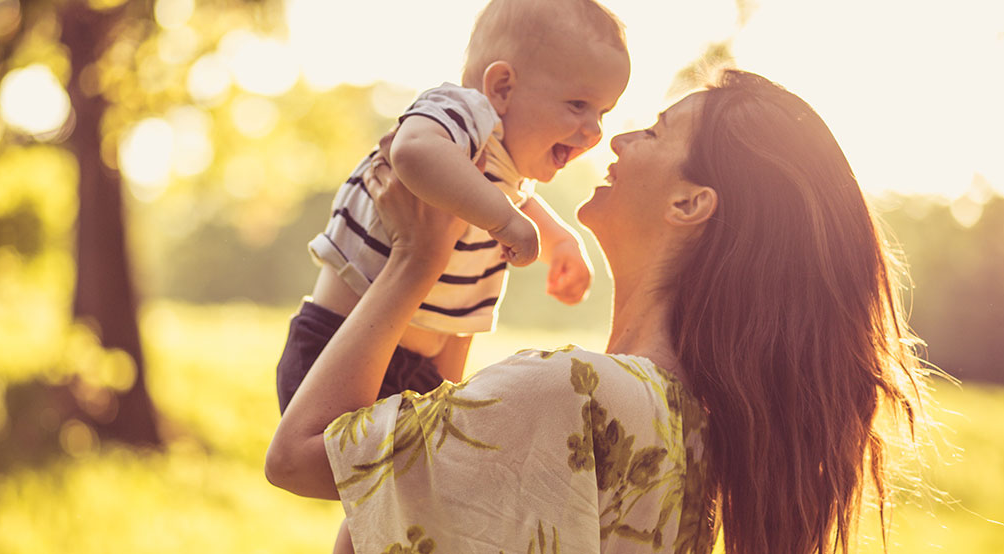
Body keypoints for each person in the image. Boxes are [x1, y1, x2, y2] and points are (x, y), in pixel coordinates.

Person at [267, 69, 932, 553]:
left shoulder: (567, 397)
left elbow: (297, 459)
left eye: (654, 131)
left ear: (691, 204)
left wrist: (416, 260)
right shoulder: (694, 432)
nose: (616, 141)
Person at [274, 0, 631, 414]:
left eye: (603, 112)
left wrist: (562, 241)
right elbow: (413, 150)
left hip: (419, 367)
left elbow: (519, 197)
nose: (595, 131)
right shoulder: (462, 111)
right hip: (336, 347)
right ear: (501, 88)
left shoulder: (504, 167)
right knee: (349, 467)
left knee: (407, 474)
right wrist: (503, 221)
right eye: (578, 105)